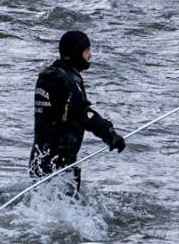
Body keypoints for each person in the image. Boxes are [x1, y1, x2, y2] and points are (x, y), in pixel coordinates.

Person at [29, 30, 126, 191]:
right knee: (64, 209)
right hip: (60, 163)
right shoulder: (67, 80)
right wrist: (110, 135)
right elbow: (84, 113)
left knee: (42, 201)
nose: (90, 56)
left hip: (39, 158)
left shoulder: (49, 75)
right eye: (87, 51)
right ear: (75, 53)